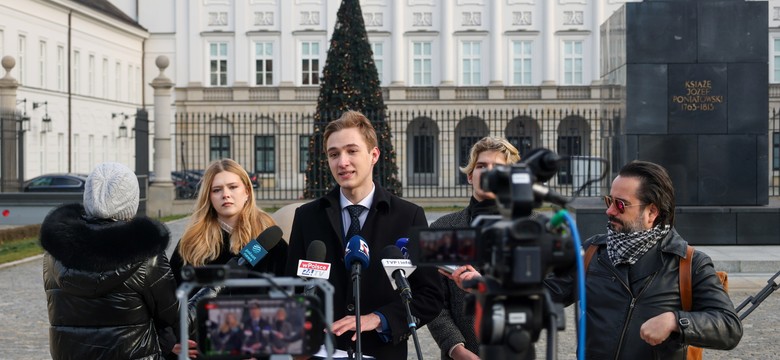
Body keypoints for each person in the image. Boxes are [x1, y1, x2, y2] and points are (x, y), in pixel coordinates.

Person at [452, 160, 743, 359]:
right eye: (609, 201)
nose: (609, 211)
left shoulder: (689, 263)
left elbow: (729, 327)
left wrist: (675, 321)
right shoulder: (592, 252)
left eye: (621, 205)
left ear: (652, 212)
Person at [284, 110, 444, 359]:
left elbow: (430, 296)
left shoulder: (409, 216)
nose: (342, 162)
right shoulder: (307, 217)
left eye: (352, 151)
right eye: (334, 154)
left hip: (381, 352)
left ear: (374, 155)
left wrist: (379, 319)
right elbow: (291, 288)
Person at [41, 162, 183, 359]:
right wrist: (216, 285)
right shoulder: (145, 256)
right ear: (130, 202)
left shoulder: (53, 254)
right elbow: (175, 318)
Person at [427, 136, 521, 360]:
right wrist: (455, 348)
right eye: (481, 166)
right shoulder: (443, 228)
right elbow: (433, 299)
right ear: (470, 176)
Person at [170, 158, 288, 288]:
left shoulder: (268, 240)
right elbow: (173, 293)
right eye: (217, 190)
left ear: (247, 192)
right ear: (208, 197)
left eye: (233, 187)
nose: (225, 195)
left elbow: (291, 288)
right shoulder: (191, 243)